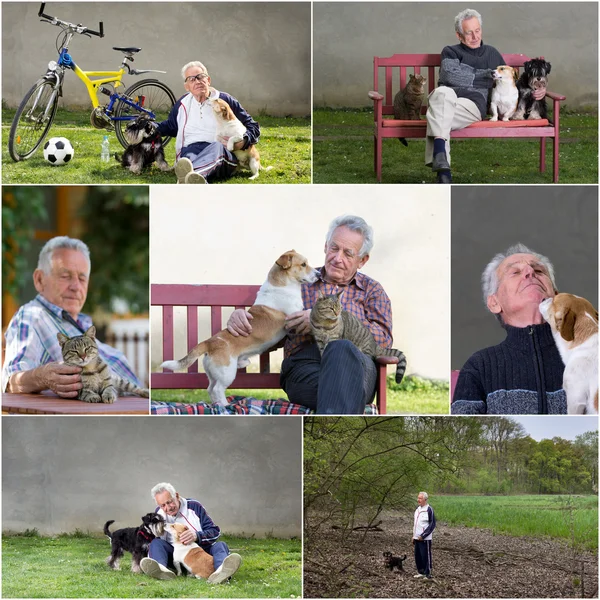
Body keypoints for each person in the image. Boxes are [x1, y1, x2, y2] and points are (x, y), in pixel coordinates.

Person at [227, 215, 395, 414]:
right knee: (345, 390)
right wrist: (240, 319)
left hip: (358, 367)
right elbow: (268, 329)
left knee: (341, 352)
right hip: (306, 367)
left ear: (362, 260)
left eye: (348, 253)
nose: (337, 258)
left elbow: (383, 343)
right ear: (325, 246)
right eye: (334, 248)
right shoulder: (296, 282)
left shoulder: (372, 291)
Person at [2, 236, 141, 396]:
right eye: (65, 276)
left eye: (82, 278)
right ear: (39, 280)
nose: (76, 286)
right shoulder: (31, 316)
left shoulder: (85, 325)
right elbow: (11, 381)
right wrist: (41, 377)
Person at [425, 8, 545, 184]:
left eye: (477, 30)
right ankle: (443, 170)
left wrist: (538, 90)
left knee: (438, 113)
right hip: (446, 99)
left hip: (471, 104)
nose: (475, 36)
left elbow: (508, 81)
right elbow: (449, 76)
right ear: (459, 35)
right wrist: (484, 75)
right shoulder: (450, 51)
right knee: (443, 92)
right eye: (468, 33)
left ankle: (440, 157)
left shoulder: (492, 54)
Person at [452, 243, 566, 415]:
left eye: (540, 271)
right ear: (494, 302)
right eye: (515, 272)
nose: (530, 272)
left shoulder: (589, 355)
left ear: (557, 296)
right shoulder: (479, 366)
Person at [158, 61, 260, 184]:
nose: (197, 81)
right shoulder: (182, 104)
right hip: (191, 149)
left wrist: (243, 142)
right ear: (187, 86)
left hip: (221, 150)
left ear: (208, 80)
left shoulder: (224, 100)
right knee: (187, 159)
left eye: (200, 76)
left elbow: (252, 126)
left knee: (216, 148)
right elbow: (171, 126)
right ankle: (193, 177)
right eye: (192, 79)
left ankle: (193, 176)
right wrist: (150, 126)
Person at [140, 482, 242, 584]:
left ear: (177, 496)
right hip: (176, 556)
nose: (168, 508)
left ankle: (220, 572)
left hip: (201, 555)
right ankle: (161, 570)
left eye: (170, 502)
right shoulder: (158, 513)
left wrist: (196, 535)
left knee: (220, 545)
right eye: (163, 505)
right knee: (156, 543)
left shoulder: (194, 506)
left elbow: (215, 531)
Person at [413, 491, 436, 579]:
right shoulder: (417, 509)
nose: (418, 500)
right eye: (418, 498)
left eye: (420, 498)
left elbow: (432, 524)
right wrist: (413, 536)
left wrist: (423, 535)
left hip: (425, 539)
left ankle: (428, 573)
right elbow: (415, 524)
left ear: (425, 499)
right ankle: (421, 572)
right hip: (416, 537)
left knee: (425, 555)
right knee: (418, 556)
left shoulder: (429, 509)